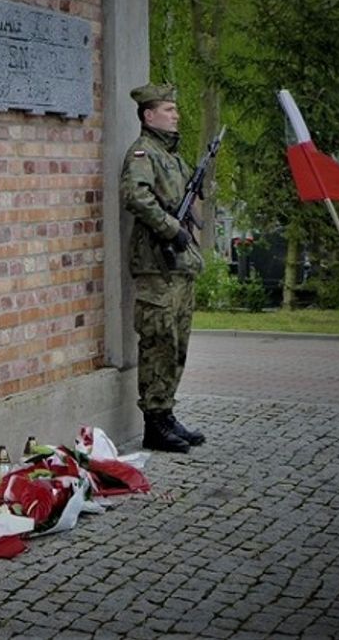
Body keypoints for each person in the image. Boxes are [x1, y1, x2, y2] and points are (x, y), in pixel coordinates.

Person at [120, 83, 207, 453]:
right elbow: (134, 196)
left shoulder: (175, 159)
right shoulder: (143, 153)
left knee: (177, 345)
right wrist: (172, 228)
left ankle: (167, 413)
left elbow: (195, 209)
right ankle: (153, 424)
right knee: (158, 343)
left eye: (176, 109)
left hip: (180, 267)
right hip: (156, 265)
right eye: (168, 110)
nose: (176, 115)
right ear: (148, 115)